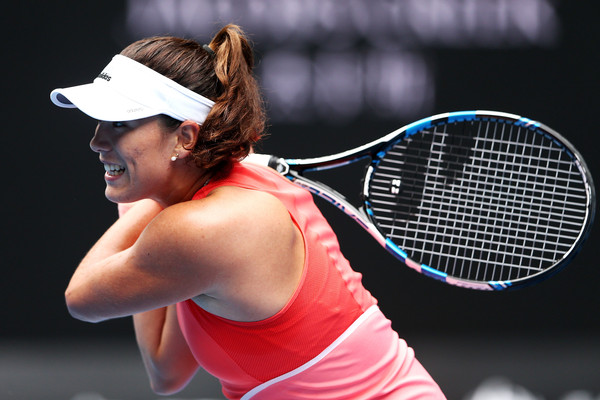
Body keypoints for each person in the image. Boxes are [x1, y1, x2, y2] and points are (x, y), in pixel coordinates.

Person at [50, 24, 446, 399]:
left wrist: (151, 199)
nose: (97, 141)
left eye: (120, 123)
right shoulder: (217, 207)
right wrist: (161, 193)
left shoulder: (206, 227)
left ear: (186, 137)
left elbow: (81, 299)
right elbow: (167, 370)